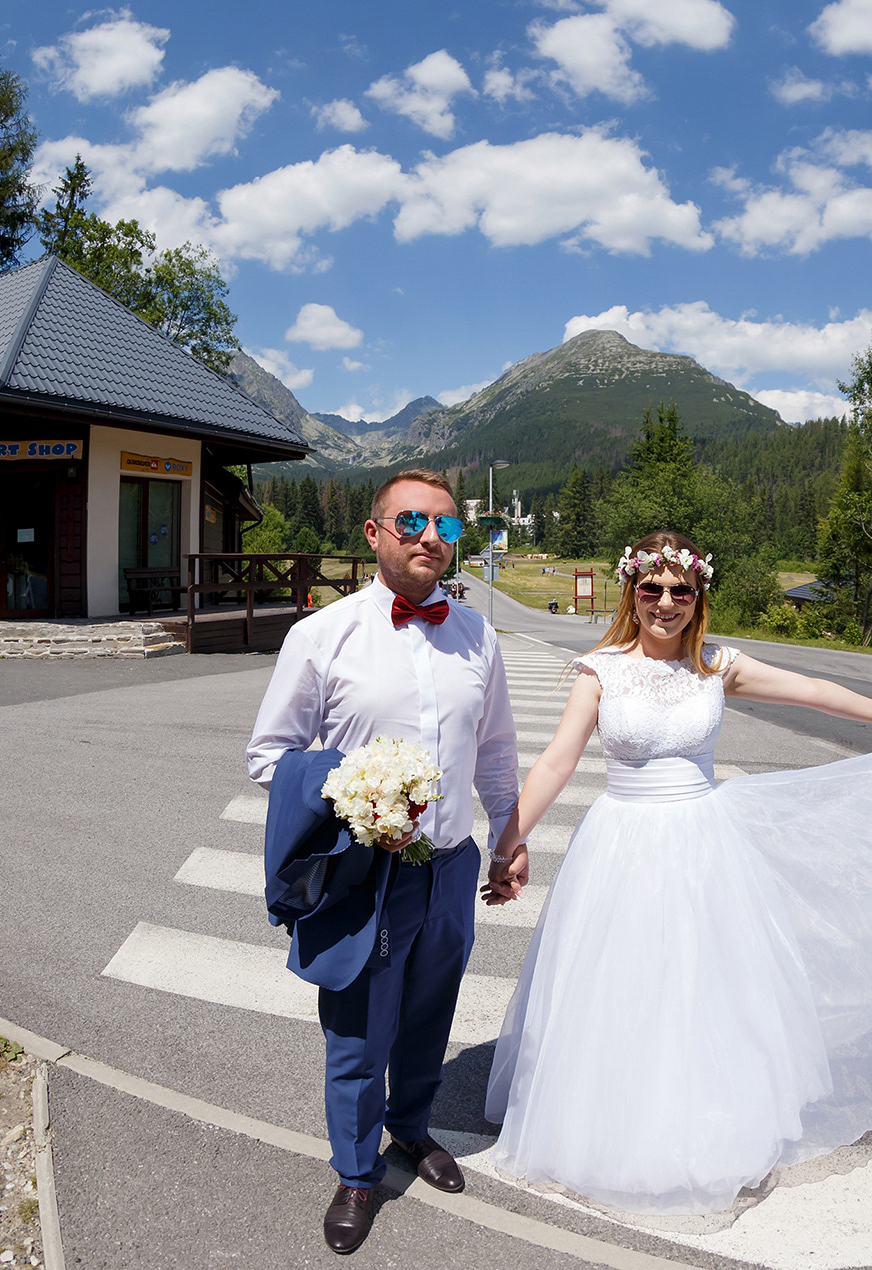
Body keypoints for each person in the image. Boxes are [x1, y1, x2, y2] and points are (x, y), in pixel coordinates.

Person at [482, 529, 872, 1217]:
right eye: (651, 588)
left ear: (698, 595)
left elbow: (808, 690)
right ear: (631, 590)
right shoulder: (601, 670)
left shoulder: (718, 666)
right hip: (623, 845)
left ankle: (708, 1123)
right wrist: (507, 842)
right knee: (624, 986)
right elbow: (556, 762)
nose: (665, 602)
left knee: (705, 987)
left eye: (680, 590)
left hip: (703, 843)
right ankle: (612, 1125)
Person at [246, 468, 520, 1254]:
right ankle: (357, 1172)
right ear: (374, 534)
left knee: (431, 1012)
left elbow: (495, 752)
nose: (432, 537)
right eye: (412, 521)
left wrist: (509, 837)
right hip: (365, 872)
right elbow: (269, 756)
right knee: (361, 1032)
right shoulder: (322, 636)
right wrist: (361, 803)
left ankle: (410, 1126)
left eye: (446, 525)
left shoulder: (479, 637)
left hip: (451, 867)